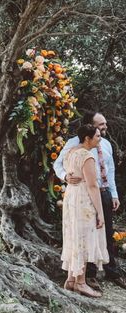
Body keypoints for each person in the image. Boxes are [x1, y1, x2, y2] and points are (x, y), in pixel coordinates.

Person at [54, 111, 126, 289]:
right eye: (101, 125)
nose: (105, 127)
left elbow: (109, 171)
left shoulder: (106, 144)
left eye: (105, 124)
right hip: (85, 193)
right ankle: (89, 275)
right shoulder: (75, 143)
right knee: (87, 233)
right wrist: (65, 176)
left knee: (106, 232)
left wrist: (114, 194)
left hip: (104, 192)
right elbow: (57, 163)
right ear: (90, 126)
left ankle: (112, 271)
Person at [60, 124, 108, 297]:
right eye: (97, 136)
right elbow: (93, 186)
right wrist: (100, 213)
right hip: (82, 200)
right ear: (87, 138)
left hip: (71, 197)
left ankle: (70, 280)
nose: (99, 138)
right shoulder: (87, 156)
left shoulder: (71, 152)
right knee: (82, 237)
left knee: (74, 235)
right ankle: (80, 282)